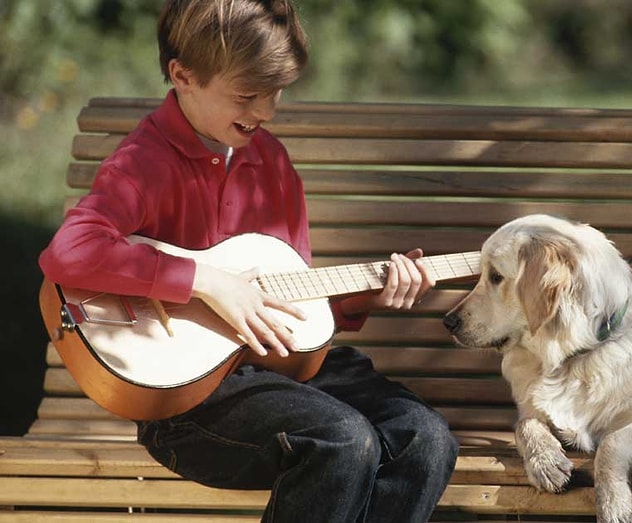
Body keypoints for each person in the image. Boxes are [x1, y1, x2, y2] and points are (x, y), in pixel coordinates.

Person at [37, 1, 458, 521]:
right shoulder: (142, 162)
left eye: (275, 94)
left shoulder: (273, 163)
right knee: (343, 439)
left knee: (426, 439)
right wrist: (206, 281)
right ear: (182, 75)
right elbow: (70, 250)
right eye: (247, 95)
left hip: (284, 371)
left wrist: (371, 293)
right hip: (191, 402)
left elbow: (291, 296)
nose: (265, 112)